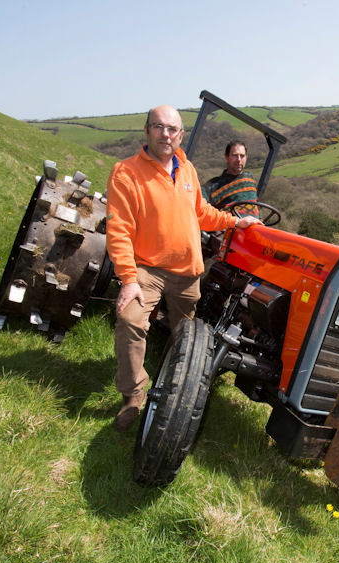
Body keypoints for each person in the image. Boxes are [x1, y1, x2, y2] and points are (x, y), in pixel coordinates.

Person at [105, 105, 262, 432]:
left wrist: (236, 221)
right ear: (147, 130)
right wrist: (128, 279)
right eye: (159, 127)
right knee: (131, 320)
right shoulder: (127, 172)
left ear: (181, 135)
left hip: (187, 274)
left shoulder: (186, 169)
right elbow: (119, 229)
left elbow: (202, 212)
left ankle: (175, 389)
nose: (166, 134)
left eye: (173, 129)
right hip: (146, 270)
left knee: (185, 336)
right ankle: (134, 394)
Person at [202, 140, 259, 216]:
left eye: (242, 156)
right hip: (232, 225)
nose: (239, 159)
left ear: (246, 158)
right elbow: (202, 208)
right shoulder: (212, 186)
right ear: (226, 158)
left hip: (256, 225)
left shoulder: (250, 179)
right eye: (235, 155)